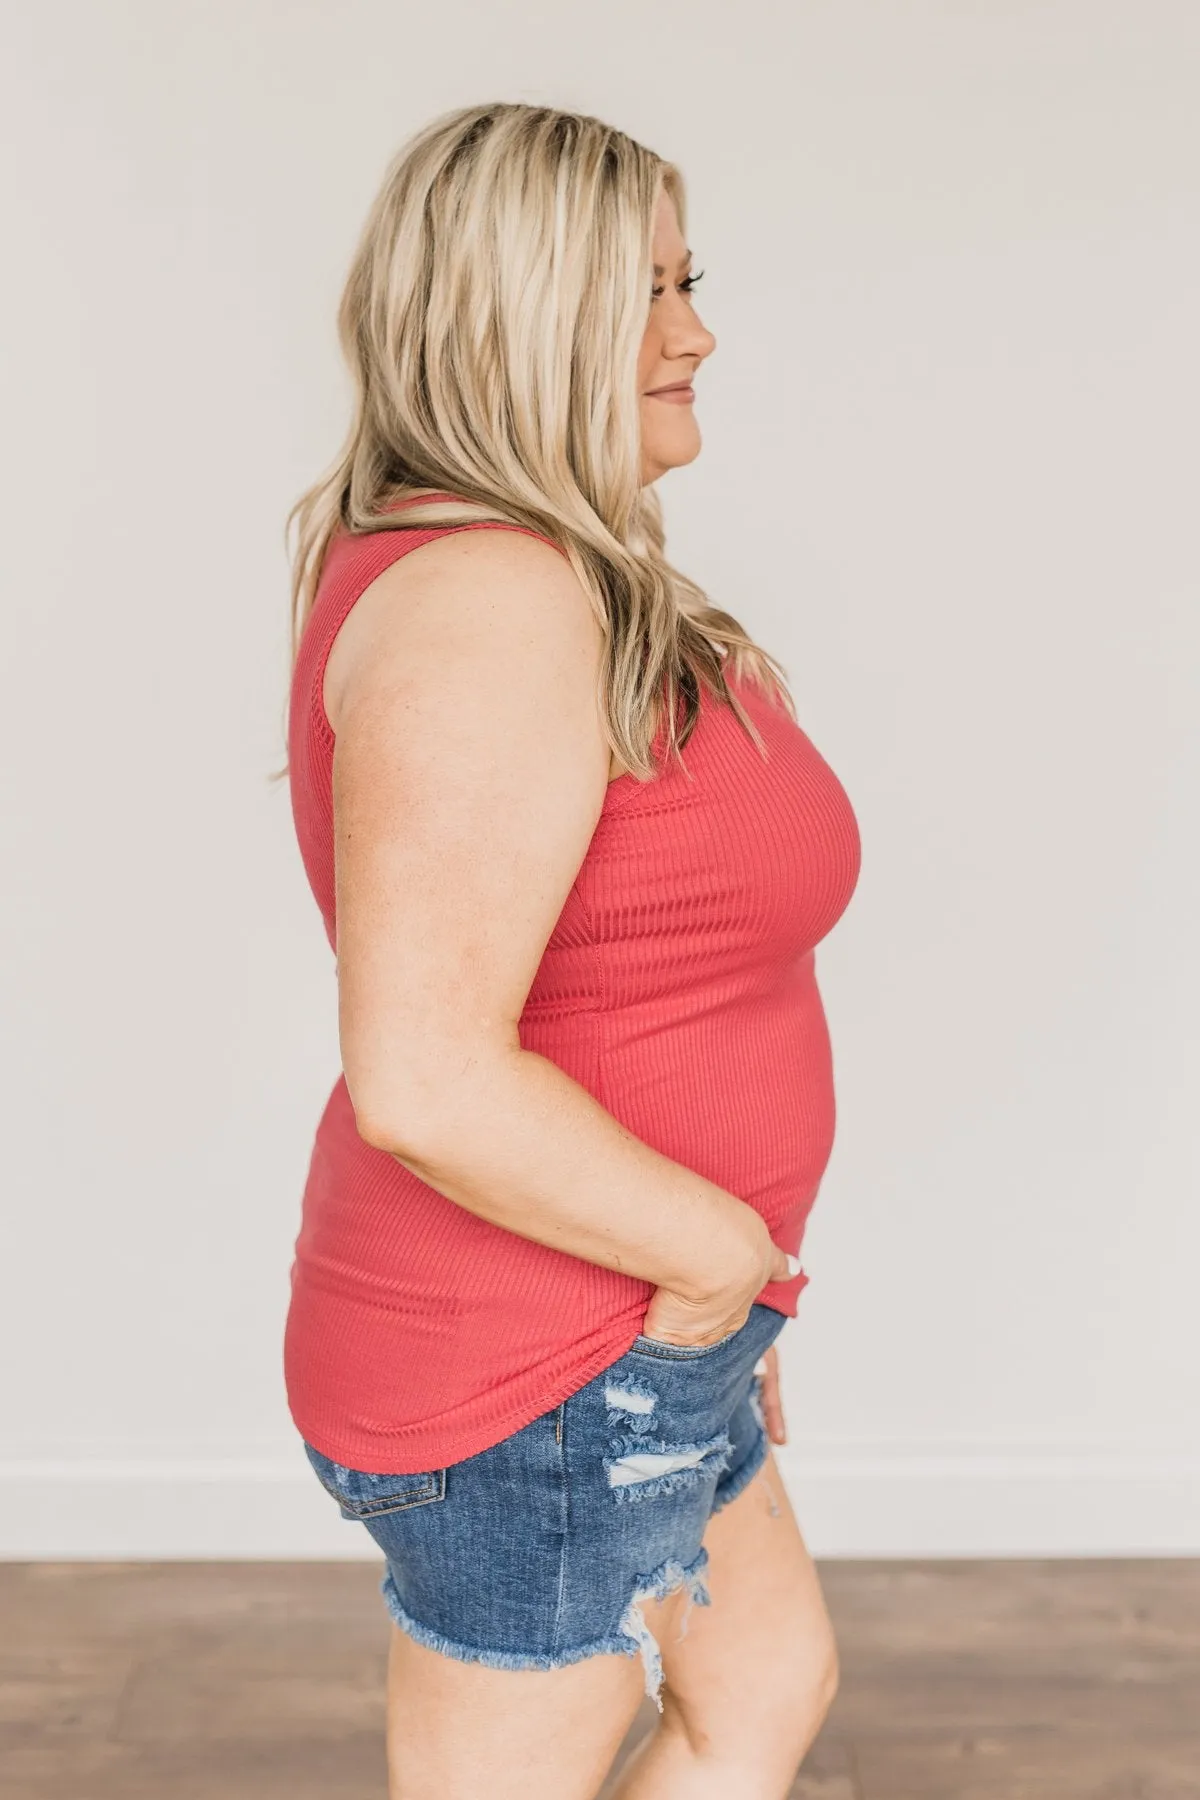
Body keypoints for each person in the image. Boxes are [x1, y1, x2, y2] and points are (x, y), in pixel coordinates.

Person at [280, 101, 862, 1800]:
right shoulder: (489, 601)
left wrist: (728, 1298)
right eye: (648, 292)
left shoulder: (544, 574)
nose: (698, 332)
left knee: (759, 1685)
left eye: (694, 281)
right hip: (544, 1357)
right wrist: (705, 1265)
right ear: (522, 315)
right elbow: (427, 1074)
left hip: (638, 1319)